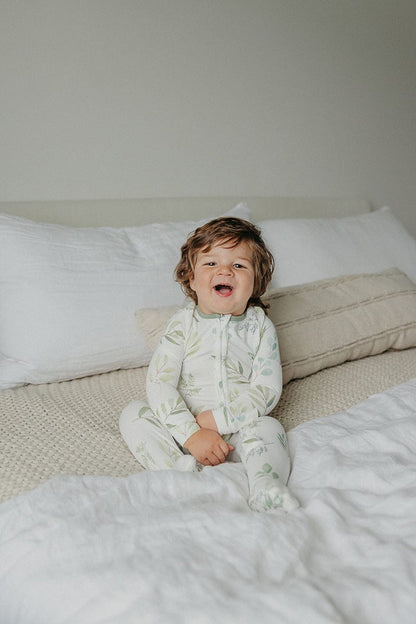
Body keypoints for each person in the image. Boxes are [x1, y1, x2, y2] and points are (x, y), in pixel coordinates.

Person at [119, 217, 299, 512]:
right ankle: (177, 473)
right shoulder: (182, 323)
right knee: (132, 414)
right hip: (183, 431)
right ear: (191, 279)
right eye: (211, 263)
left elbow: (266, 389)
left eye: (239, 265)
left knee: (269, 427)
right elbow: (160, 382)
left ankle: (266, 486)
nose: (225, 270)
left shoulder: (260, 327)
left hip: (238, 429)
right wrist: (191, 433)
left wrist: (218, 421)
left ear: (256, 282)